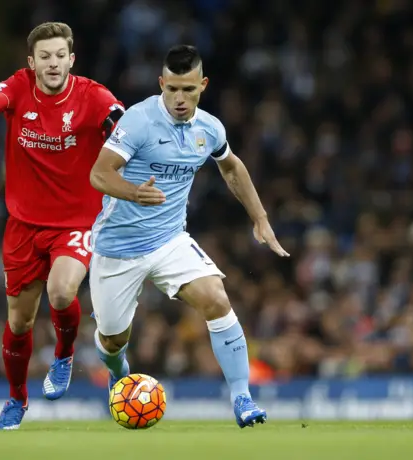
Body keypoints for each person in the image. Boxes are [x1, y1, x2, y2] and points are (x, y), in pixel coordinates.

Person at [88, 45, 289, 428]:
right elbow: (99, 174)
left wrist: (260, 218)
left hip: (169, 239)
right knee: (113, 339)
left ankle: (243, 399)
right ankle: (118, 373)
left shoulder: (210, 128)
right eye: (173, 89)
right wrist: (134, 192)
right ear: (161, 84)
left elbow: (231, 167)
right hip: (118, 247)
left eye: (189, 90)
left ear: (203, 85)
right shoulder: (138, 121)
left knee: (216, 297)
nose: (180, 99)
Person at [0, 22, 124, 430]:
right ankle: (16, 400)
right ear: (32, 63)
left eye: (60, 56)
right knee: (19, 322)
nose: (53, 64)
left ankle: (64, 354)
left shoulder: (92, 96)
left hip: (76, 221)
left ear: (72, 59)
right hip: (23, 225)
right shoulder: (19, 86)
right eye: (44, 57)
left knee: (62, 288)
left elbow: (123, 122)